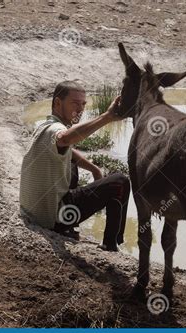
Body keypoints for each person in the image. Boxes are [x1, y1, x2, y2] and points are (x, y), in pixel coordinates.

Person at [19, 81, 130, 251]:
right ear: (57, 103)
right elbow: (64, 139)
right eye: (75, 103)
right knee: (119, 182)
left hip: (33, 212)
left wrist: (94, 169)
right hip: (51, 219)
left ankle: (70, 229)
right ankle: (111, 243)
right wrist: (106, 117)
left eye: (83, 104)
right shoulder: (55, 129)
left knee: (71, 164)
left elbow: (65, 147)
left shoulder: (44, 125)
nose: (80, 109)